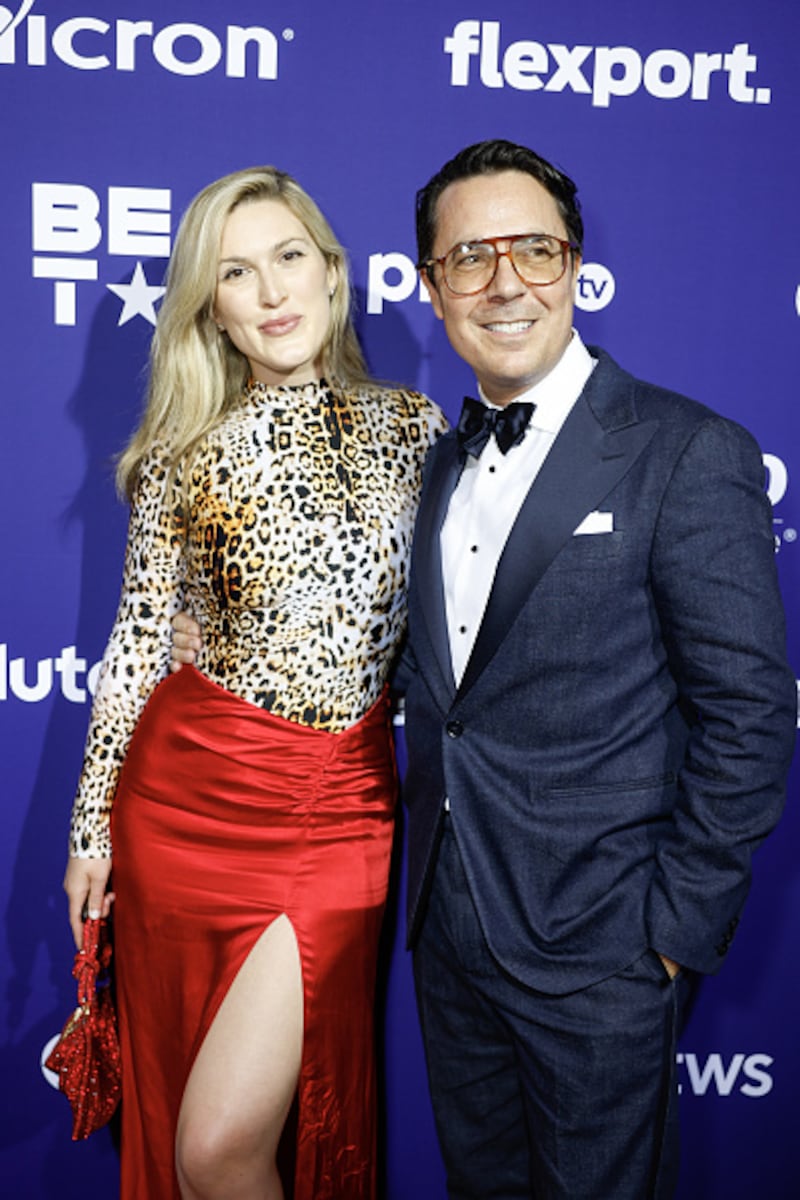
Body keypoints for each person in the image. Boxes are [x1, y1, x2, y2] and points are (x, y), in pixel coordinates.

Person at [169, 140, 796, 1198]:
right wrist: (226, 638)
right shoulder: (437, 457)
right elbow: (406, 662)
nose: (504, 283)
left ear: (575, 266)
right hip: (450, 936)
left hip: (603, 951)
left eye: (533, 252)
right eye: (469, 257)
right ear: (430, 285)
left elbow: (747, 715)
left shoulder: (684, 452)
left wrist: (669, 939)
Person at [62, 164, 446, 1200]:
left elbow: (454, 625)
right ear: (214, 310)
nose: (272, 292)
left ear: (330, 274)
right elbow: (140, 642)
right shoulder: (184, 452)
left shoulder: (413, 428)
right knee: (192, 1121)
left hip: (336, 806)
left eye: (288, 259)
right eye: (237, 273)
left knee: (220, 1148)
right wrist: (92, 829)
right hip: (187, 795)